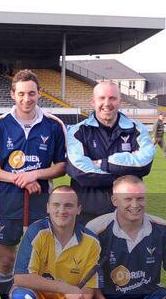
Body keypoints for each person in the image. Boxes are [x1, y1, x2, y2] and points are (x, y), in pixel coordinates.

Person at [0, 70, 67, 299]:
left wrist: (35, 174)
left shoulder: (53, 125)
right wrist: (20, 178)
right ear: (12, 94)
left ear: (39, 94)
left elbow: (62, 166)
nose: (26, 99)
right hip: (7, 200)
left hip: (42, 201)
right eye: (21, 94)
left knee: (42, 259)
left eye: (31, 93)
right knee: (7, 260)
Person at [8, 186, 104, 299]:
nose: (62, 210)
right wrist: (65, 287)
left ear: (78, 209)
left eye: (68, 205)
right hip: (38, 296)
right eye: (56, 205)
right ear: (48, 207)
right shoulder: (36, 231)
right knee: (21, 298)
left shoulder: (92, 241)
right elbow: (21, 278)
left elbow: (89, 287)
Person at [66, 81, 155, 223]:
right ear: (93, 102)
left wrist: (102, 163)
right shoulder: (77, 132)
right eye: (102, 98)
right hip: (86, 214)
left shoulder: (136, 129)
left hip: (127, 213)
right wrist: (126, 172)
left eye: (112, 98)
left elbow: (144, 164)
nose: (107, 103)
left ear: (120, 101)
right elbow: (80, 172)